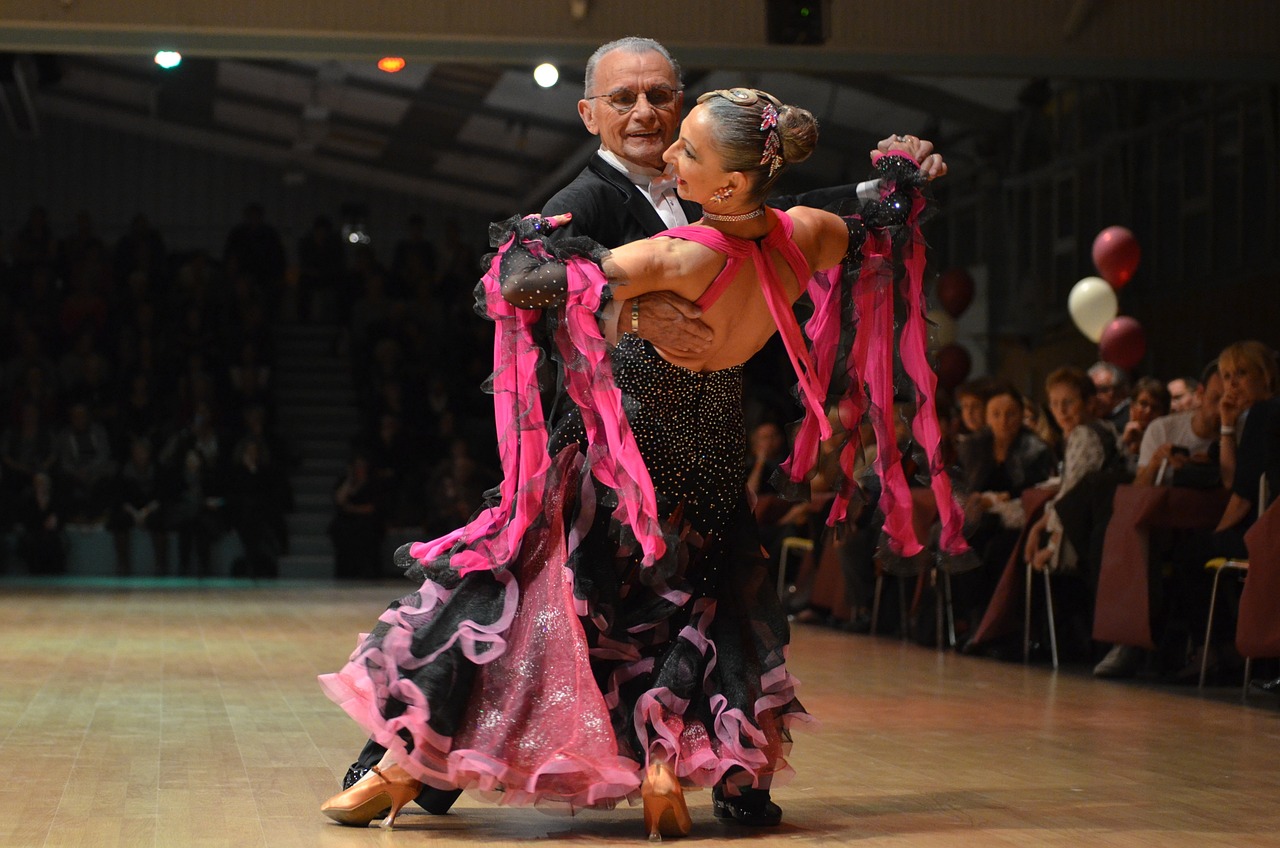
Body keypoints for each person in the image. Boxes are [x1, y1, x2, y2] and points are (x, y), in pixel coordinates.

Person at [333, 34, 947, 823]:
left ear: (691, 113)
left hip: (703, 442)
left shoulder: (709, 189)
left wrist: (902, 170)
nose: (645, 112)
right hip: (617, 445)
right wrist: (629, 306)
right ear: (589, 113)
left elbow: (784, 207)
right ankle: (422, 749)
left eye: (661, 95)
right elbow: (513, 281)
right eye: (623, 98)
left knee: (684, 604)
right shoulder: (588, 198)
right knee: (552, 602)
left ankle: (715, 772)